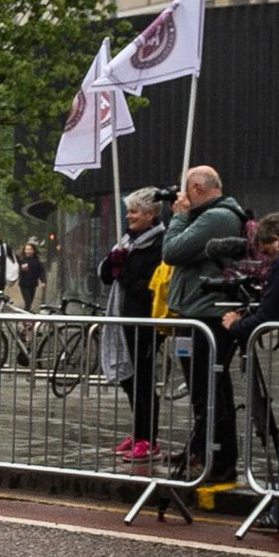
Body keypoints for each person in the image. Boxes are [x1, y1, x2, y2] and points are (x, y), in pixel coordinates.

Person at [162, 166, 249, 483]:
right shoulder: (211, 215)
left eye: (186, 190)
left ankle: (221, 460)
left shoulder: (218, 217)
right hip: (196, 314)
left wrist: (180, 216)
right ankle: (201, 448)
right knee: (202, 390)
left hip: (208, 318)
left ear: (197, 187)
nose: (182, 197)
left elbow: (172, 251)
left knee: (210, 390)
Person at [224, 213, 279, 512]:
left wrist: (235, 324)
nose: (269, 260)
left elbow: (268, 316)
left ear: (278, 241)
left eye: (268, 251)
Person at [98, 189, 167, 462]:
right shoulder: (129, 241)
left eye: (134, 211)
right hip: (123, 320)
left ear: (150, 215)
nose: (129, 216)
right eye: (128, 211)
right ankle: (138, 433)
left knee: (143, 380)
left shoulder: (159, 245)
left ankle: (148, 438)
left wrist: (122, 272)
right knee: (129, 379)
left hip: (144, 321)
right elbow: (107, 276)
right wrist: (112, 263)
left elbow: (149, 287)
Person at [17, 241, 48, 311]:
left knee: (30, 302)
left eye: (30, 249)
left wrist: (43, 281)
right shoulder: (22, 260)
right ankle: (25, 318)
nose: (28, 251)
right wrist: (21, 269)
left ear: (33, 251)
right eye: (26, 249)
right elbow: (17, 271)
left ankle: (27, 318)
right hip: (24, 284)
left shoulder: (37, 261)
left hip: (33, 284)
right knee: (28, 302)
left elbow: (41, 272)